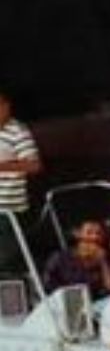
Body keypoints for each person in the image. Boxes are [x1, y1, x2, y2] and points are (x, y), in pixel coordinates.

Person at [0, 91, 43, 274]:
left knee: (6, 261)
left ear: (6, 107)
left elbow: (34, 165)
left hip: (8, 210)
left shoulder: (18, 131)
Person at [42, 219, 110, 299]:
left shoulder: (109, 256)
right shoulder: (60, 258)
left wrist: (104, 261)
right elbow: (49, 287)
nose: (94, 237)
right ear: (78, 234)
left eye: (98, 233)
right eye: (89, 233)